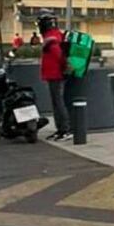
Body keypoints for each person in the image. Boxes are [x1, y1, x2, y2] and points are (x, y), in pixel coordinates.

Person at [37, 11, 71, 141]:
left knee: (58, 103)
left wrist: (64, 66)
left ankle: (65, 130)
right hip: (54, 74)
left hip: (55, 75)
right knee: (56, 103)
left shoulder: (51, 38)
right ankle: (60, 129)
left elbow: (58, 55)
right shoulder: (56, 35)